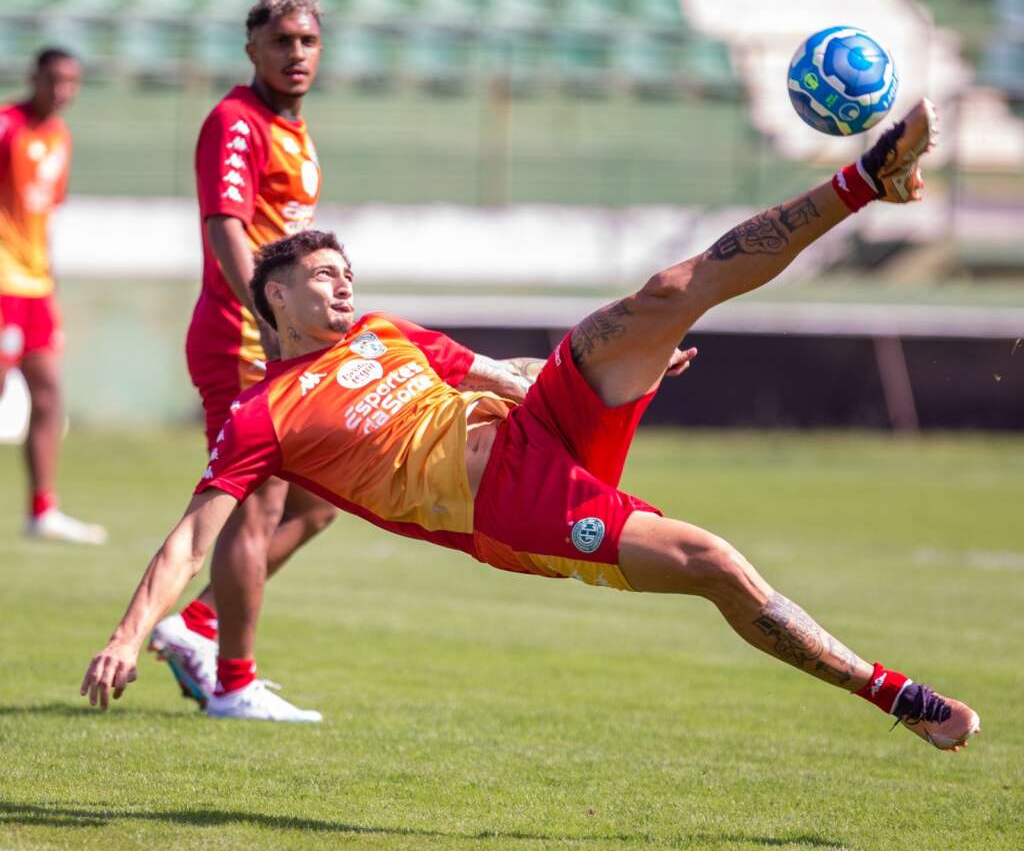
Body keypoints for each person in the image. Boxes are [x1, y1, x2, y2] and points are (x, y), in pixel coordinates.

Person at [82, 99, 980, 750]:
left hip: (540, 421)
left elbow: (502, 376)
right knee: (715, 566)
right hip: (512, 508)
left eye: (346, 273)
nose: (344, 287)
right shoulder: (260, 413)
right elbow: (192, 537)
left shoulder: (383, 332)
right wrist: (128, 633)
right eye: (325, 278)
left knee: (669, 293)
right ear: (274, 295)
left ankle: (867, 178)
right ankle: (896, 697)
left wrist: (625, 362)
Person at [147, 0, 339, 721]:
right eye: (282, 40)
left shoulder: (294, 130)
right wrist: (265, 310)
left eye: (308, 42)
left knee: (319, 503)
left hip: (285, 341)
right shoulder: (235, 121)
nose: (296, 54)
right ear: (251, 47)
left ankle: (195, 626)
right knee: (256, 504)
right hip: (241, 338)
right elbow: (226, 225)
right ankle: (233, 682)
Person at [0, 48, 104, 545]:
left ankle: (43, 510)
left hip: (35, 285)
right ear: (34, 76)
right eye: (54, 78)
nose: (62, 89)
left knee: (48, 393)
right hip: (1, 281)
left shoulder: (59, 138)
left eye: (71, 81)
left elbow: (44, 218)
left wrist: (50, 277)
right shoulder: (6, 126)